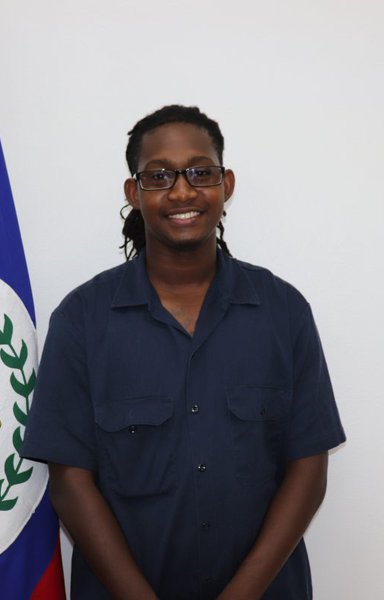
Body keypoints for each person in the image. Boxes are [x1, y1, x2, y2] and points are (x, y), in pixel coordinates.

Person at [21, 105, 345, 599]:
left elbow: (308, 468)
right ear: (134, 193)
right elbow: (70, 483)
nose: (182, 191)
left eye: (200, 172)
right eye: (159, 176)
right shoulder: (82, 319)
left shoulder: (283, 311)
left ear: (226, 184)